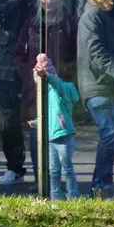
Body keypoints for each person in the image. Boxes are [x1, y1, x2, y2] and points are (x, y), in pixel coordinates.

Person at [14, 0, 78, 179]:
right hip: (35, 86)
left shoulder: (68, 23)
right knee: (36, 132)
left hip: (59, 87)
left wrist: (65, 77)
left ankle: (58, 178)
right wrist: (28, 75)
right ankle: (40, 178)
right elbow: (18, 53)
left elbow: (76, 55)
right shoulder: (32, 24)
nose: (48, 1)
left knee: (60, 131)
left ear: (59, 0)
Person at [0, 0, 42, 185]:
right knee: (9, 117)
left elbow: (50, 14)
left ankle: (42, 169)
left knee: (38, 117)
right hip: (7, 61)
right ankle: (14, 167)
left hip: (34, 60)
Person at [77, 0, 114, 199]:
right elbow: (95, 52)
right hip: (96, 84)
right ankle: (99, 186)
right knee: (111, 130)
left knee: (112, 133)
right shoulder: (94, 14)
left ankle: (102, 185)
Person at [29, 54, 79, 200]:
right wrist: (36, 122)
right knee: (53, 170)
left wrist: (47, 75)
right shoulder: (45, 94)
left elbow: (57, 85)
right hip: (50, 136)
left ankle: (73, 196)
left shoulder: (62, 88)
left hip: (63, 134)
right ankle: (55, 197)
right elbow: (48, 114)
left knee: (67, 168)